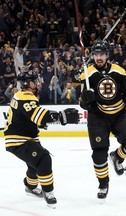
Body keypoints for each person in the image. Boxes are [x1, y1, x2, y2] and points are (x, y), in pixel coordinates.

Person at [3, 70, 79, 208]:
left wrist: (40, 122)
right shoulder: (26, 96)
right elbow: (39, 115)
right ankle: (48, 192)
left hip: (24, 137)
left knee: (34, 163)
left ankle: (30, 187)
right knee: (43, 158)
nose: (38, 83)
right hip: (18, 140)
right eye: (35, 81)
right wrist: (61, 116)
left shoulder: (22, 95)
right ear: (28, 83)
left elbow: (30, 116)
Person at [79, 39, 126, 201]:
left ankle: (118, 157)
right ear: (92, 56)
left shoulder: (119, 71)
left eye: (102, 54)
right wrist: (86, 100)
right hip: (98, 117)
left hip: (119, 114)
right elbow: (83, 104)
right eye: (96, 54)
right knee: (99, 155)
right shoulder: (87, 73)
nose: (99, 57)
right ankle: (103, 183)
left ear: (107, 55)